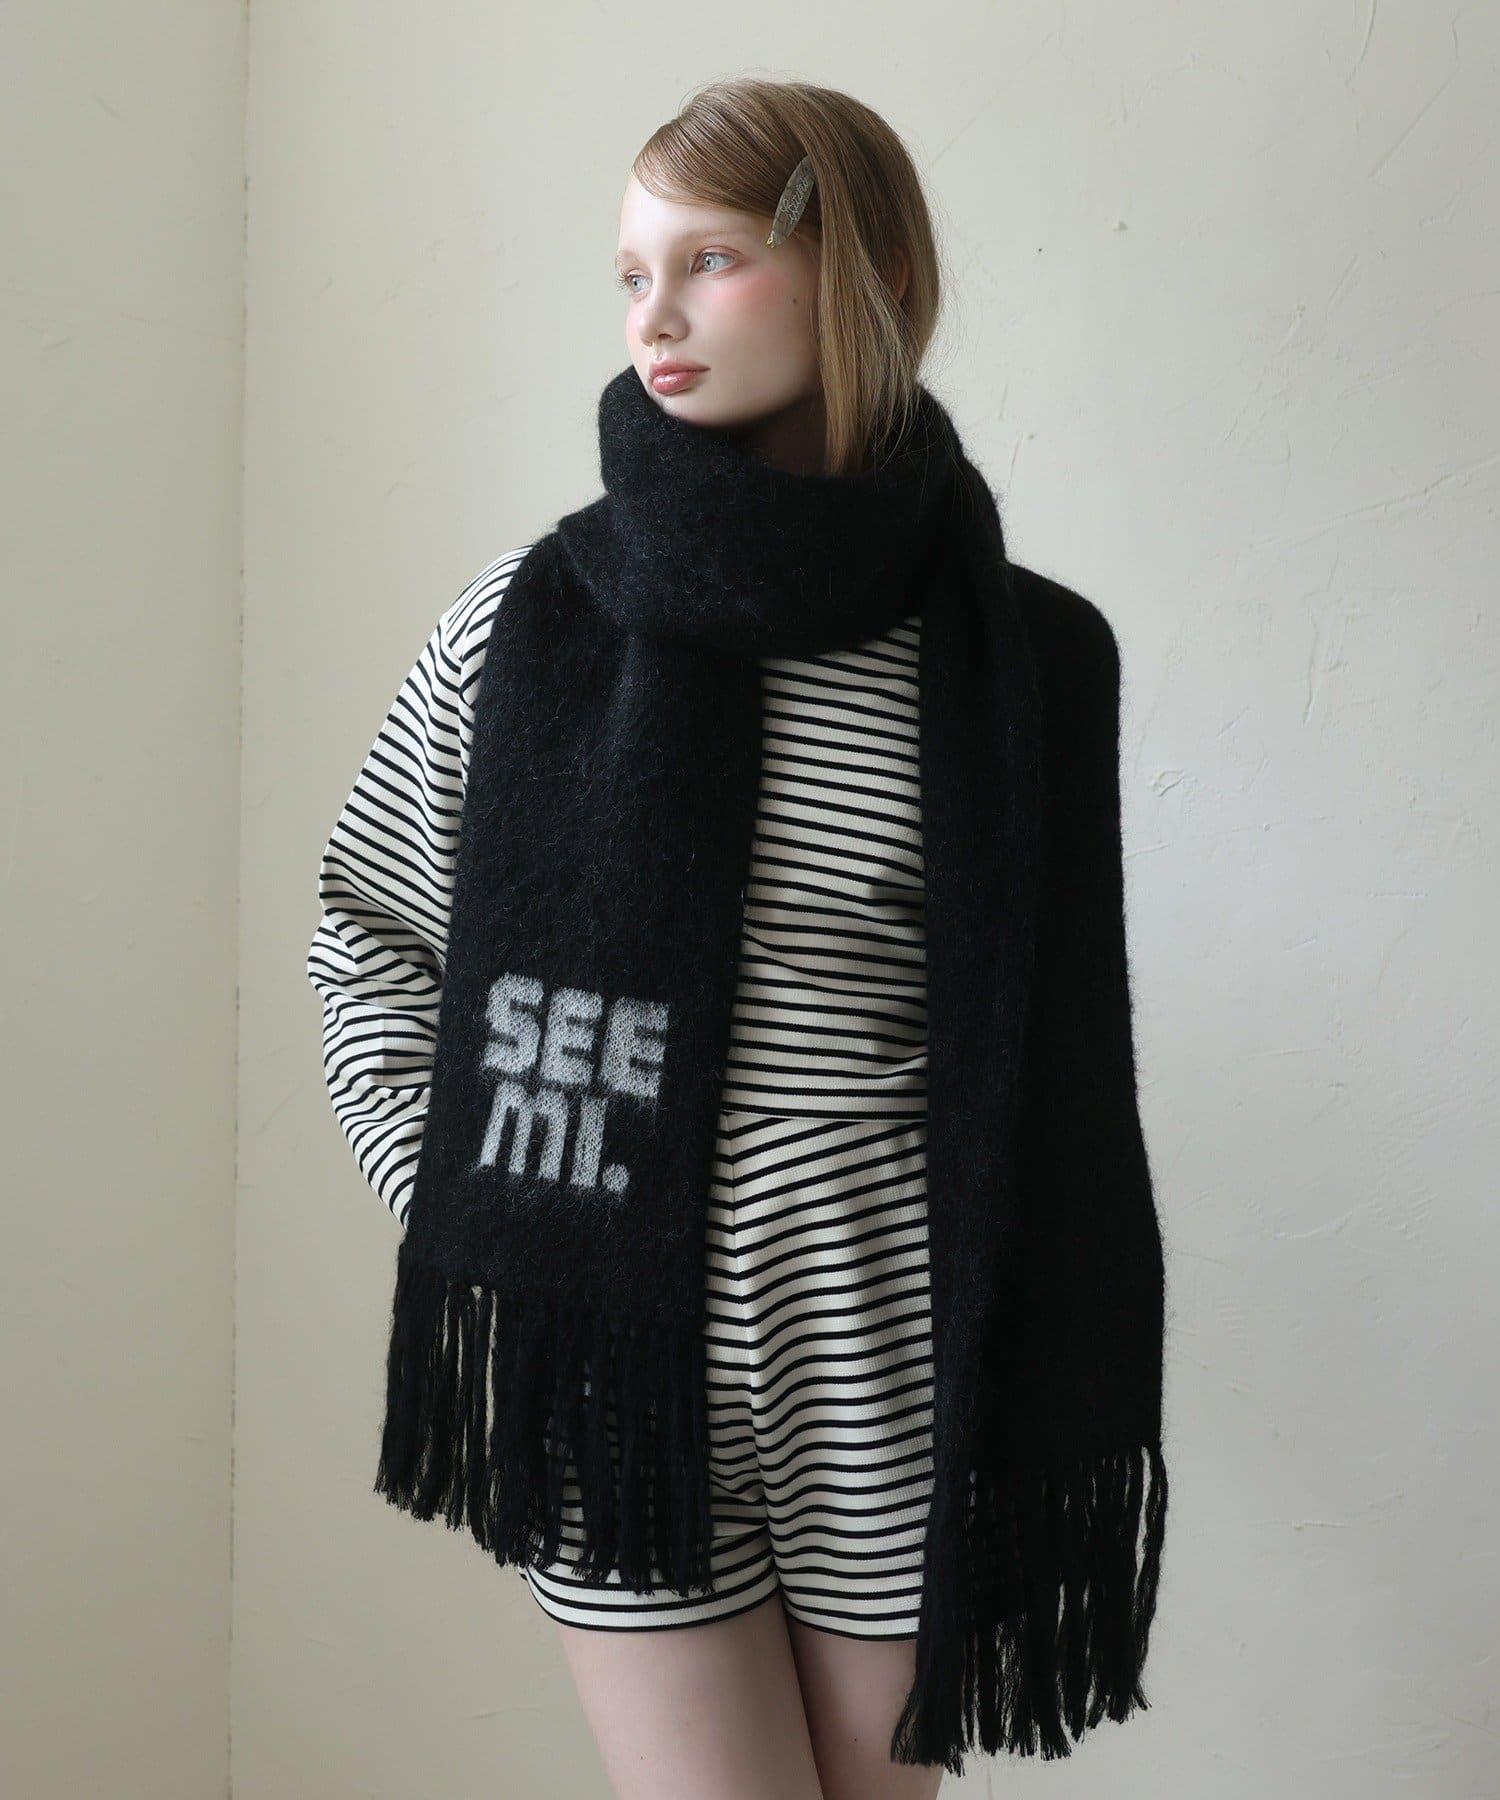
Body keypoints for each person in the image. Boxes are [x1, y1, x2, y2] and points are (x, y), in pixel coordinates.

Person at [308, 75, 1163, 1800]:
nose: (656, 318)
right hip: (609, 1320)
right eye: (633, 274)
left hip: (888, 1334)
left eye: (709, 260)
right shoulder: (529, 621)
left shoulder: (1030, 660)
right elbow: (370, 938)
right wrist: (483, 1214)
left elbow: (1047, 1052)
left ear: (866, 270)